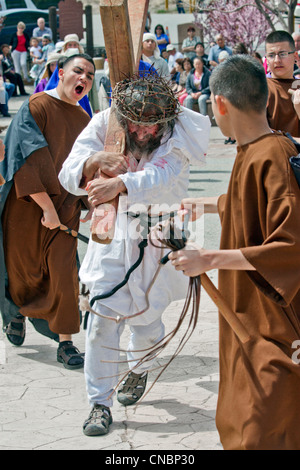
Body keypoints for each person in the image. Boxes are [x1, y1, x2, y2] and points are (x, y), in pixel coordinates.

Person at [58, 73, 211, 436]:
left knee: (147, 324)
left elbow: (162, 174)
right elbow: (66, 174)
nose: (142, 135)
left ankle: (138, 369)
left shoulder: (178, 134)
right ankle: (99, 403)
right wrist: (94, 159)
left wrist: (120, 182)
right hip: (111, 233)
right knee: (100, 321)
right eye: (134, 127)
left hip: (157, 236)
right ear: (122, 117)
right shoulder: (103, 124)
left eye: (150, 127)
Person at [169, 54, 300, 450]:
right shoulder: (252, 149)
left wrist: (207, 258)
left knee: (265, 426)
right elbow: (247, 207)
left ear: (220, 103)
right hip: (243, 312)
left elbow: (289, 245)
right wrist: (205, 203)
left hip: (271, 323)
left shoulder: (274, 154)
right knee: (241, 414)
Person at [0, 54, 95, 368]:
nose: (83, 79)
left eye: (90, 76)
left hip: (65, 208)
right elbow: (25, 159)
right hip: (26, 206)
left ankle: (66, 341)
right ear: (60, 72)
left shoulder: (85, 121)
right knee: (22, 270)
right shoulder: (36, 106)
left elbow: (87, 169)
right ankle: (15, 312)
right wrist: (45, 207)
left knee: (64, 272)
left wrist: (90, 202)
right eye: (77, 71)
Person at [265, 30, 300, 137]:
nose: (277, 60)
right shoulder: (260, 88)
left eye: (282, 54)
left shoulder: (298, 86)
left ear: (295, 56)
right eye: (271, 55)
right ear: (266, 59)